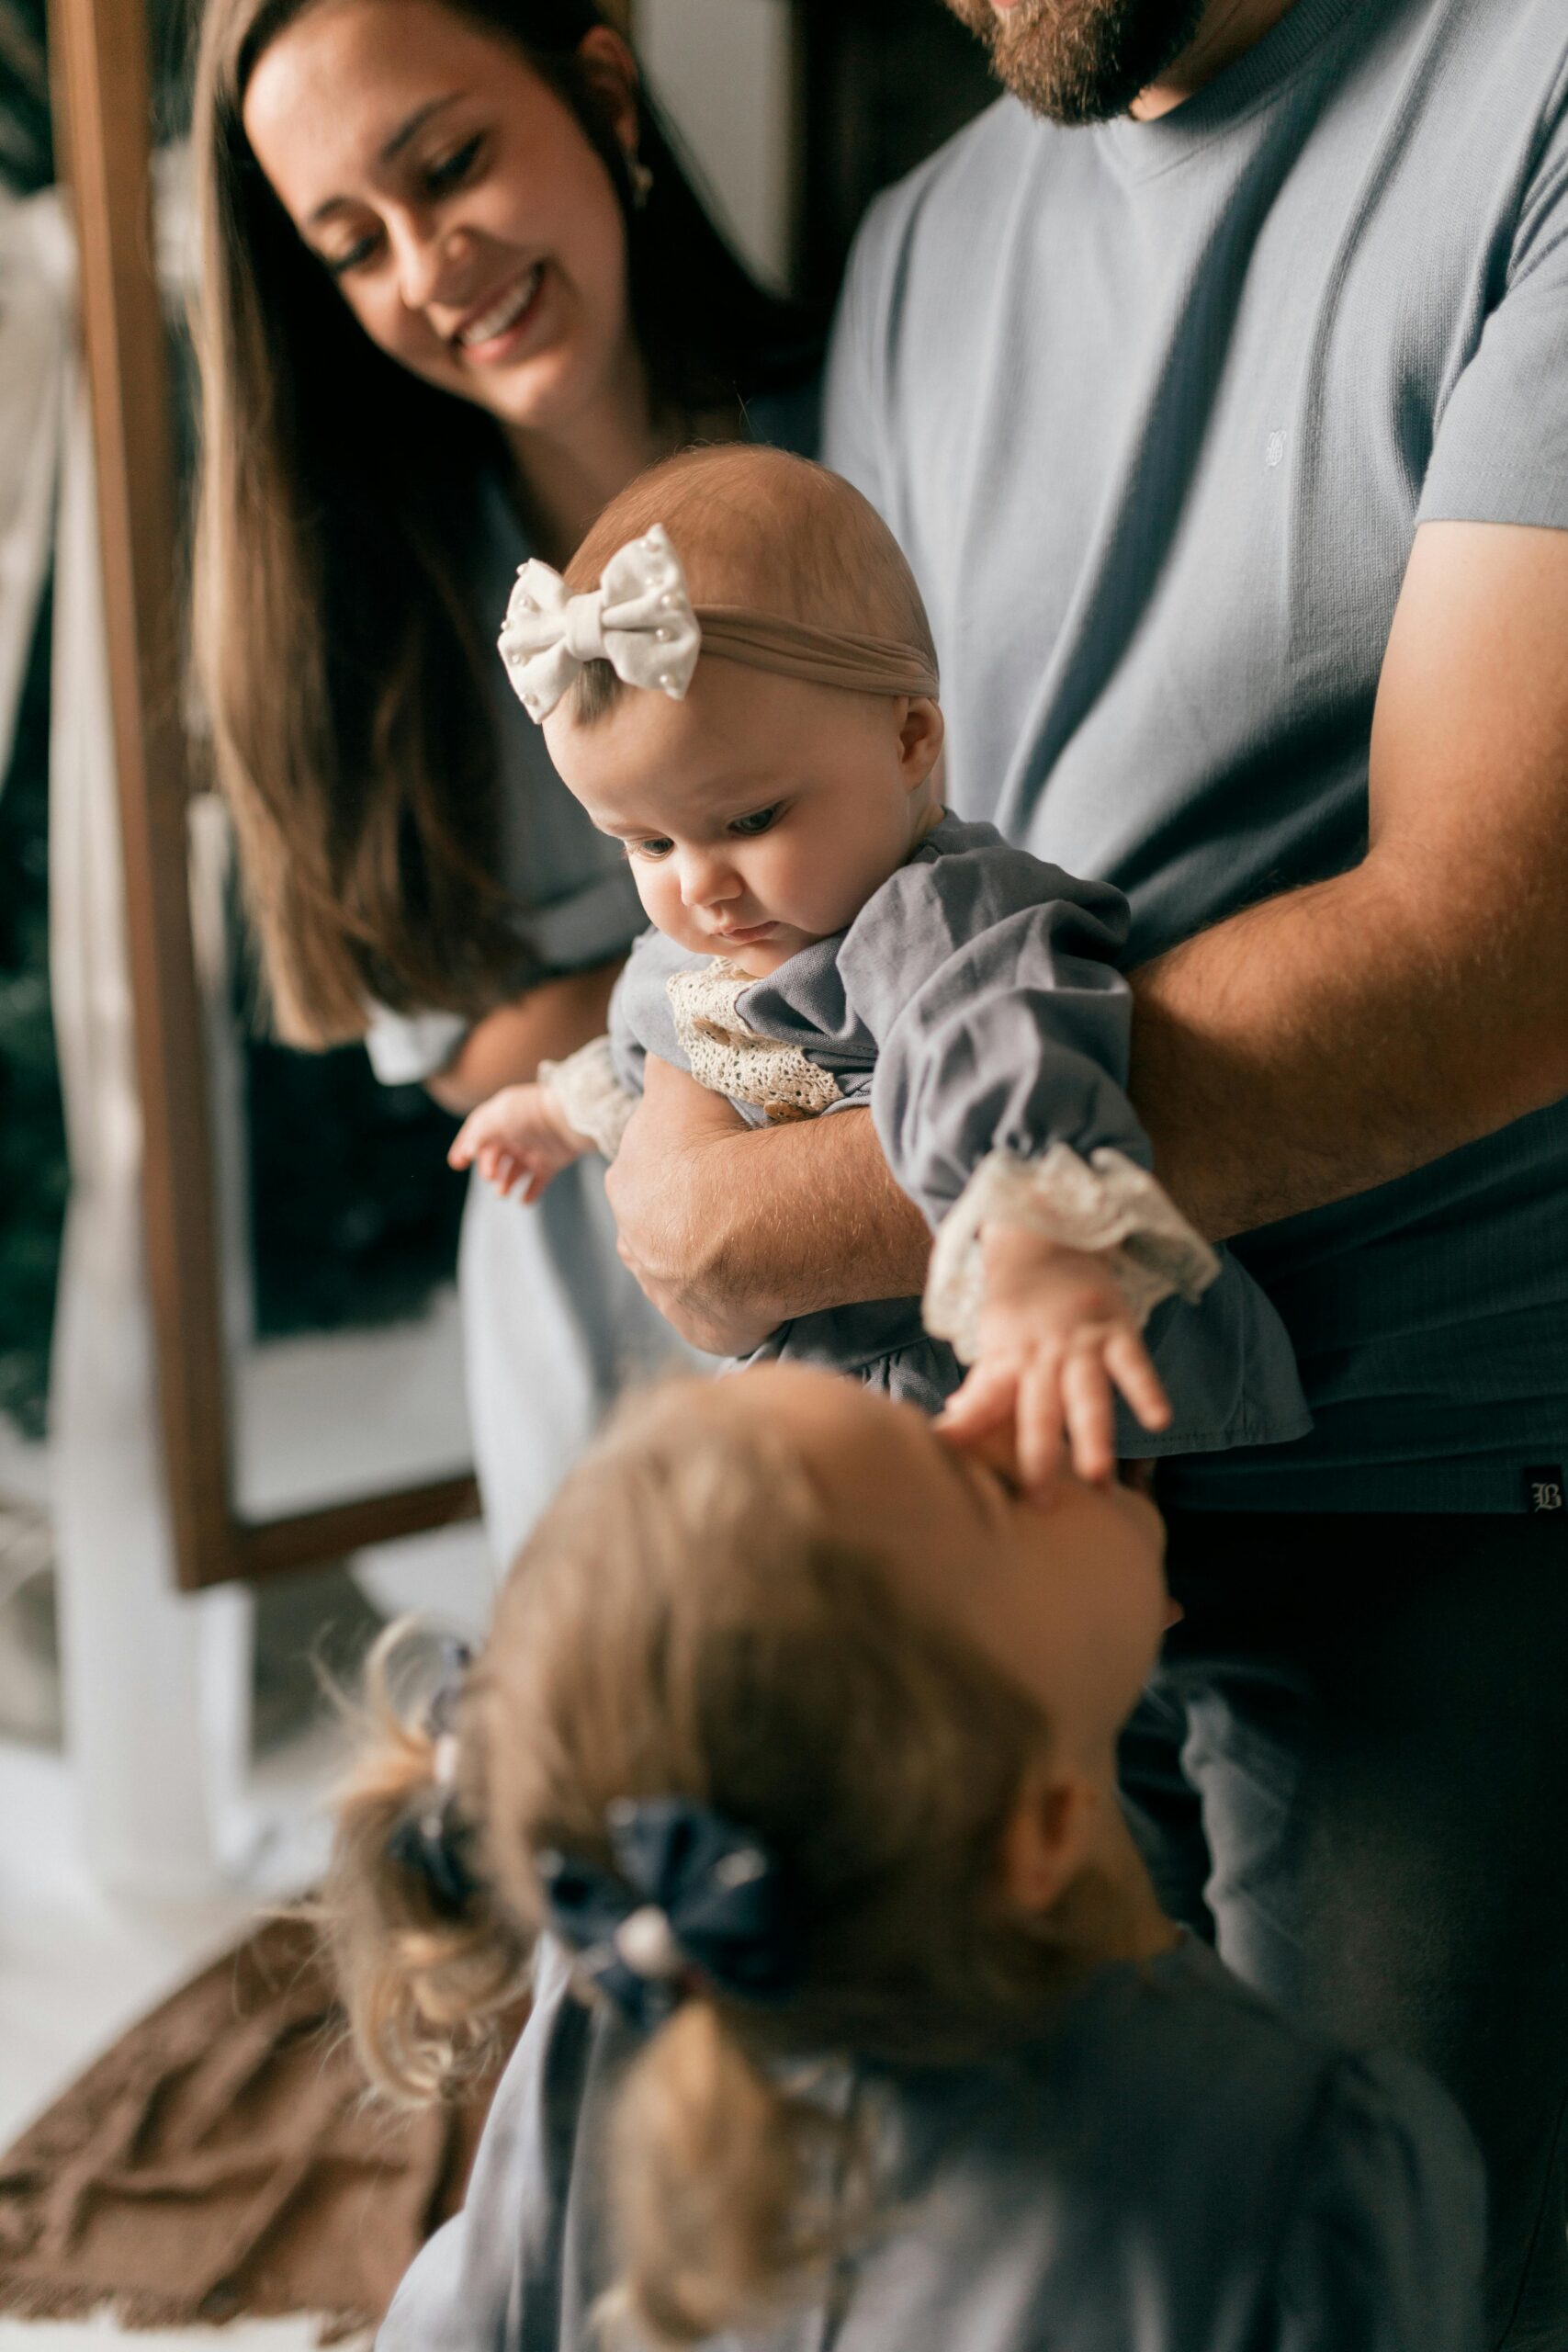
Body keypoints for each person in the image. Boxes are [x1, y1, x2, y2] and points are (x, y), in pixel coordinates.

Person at [593, 3, 1568, 2335]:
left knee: (1370, 2273)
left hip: (1415, 1483)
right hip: (997, 1503)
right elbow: (821, 871)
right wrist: (654, 1087)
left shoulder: (1522, 89)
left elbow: (1494, 941)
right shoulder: (926, 242)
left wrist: (750, 1215)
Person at [325, 1365, 1483, 2352]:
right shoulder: (1302, 2174)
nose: (987, 1403)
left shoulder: (630, 1995)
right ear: (1028, 1831)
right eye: (983, 1492)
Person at [190, 0, 819, 1560]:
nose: (428, 265)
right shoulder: (359, 612)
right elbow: (470, 1029)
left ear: (602, 92)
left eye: (452, 164)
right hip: (614, 1293)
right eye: (350, 245)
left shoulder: (880, 404)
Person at [448, 442, 1309, 1485]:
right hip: (830, 1397)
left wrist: (1036, 1242)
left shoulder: (935, 921)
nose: (701, 885)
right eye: (648, 843)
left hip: (965, 1386)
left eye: (749, 818)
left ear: (909, 739)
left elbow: (998, 1056)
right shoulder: (708, 941)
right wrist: (556, 1110)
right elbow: (651, 1041)